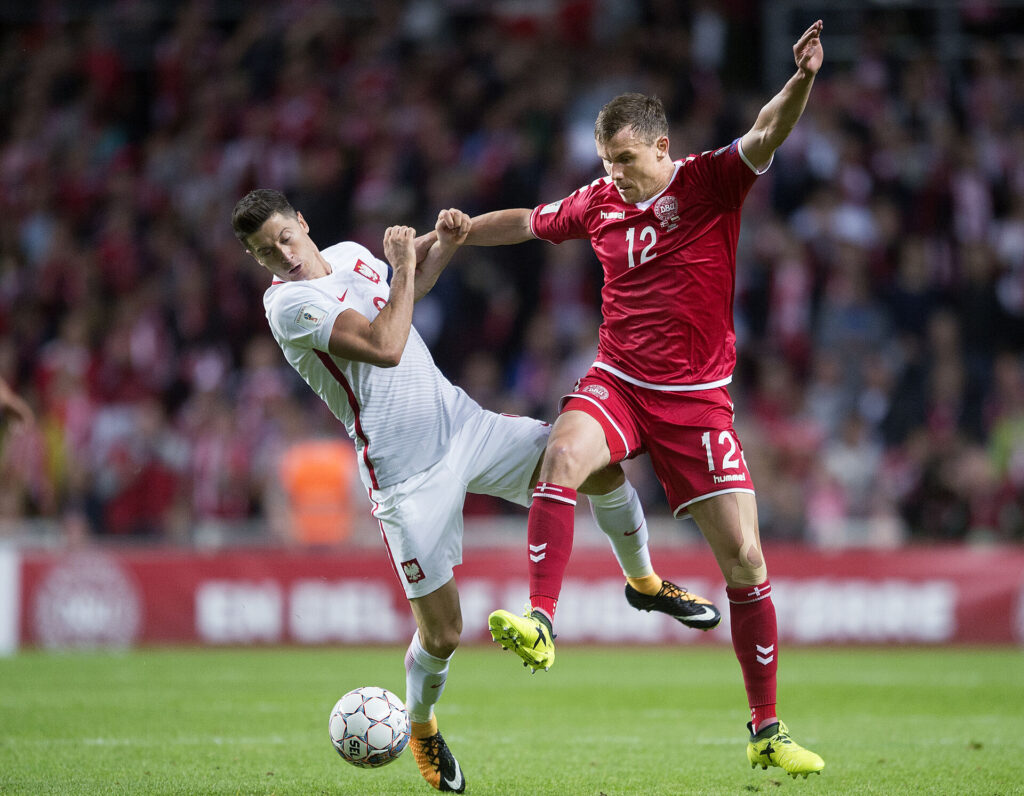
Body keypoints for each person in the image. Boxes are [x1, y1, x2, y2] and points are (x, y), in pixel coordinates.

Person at [230, 189, 720, 793]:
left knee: (591, 467)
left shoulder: (352, 254)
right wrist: (410, 262)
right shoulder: (289, 306)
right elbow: (385, 346)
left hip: (465, 426)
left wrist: (444, 249)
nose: (281, 255)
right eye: (263, 252)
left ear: (302, 222)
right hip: (404, 476)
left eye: (283, 237)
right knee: (443, 633)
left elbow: (404, 301)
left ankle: (645, 583)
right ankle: (421, 727)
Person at [461, 20, 827, 781]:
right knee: (562, 455)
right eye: (607, 161)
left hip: (696, 403)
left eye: (626, 160)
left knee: (747, 559)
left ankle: (766, 728)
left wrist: (801, 80)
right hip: (620, 383)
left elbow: (767, 130)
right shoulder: (597, 202)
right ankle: (541, 619)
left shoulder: (708, 184)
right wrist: (462, 231)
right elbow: (529, 223)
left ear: (661, 148)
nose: (617, 174)